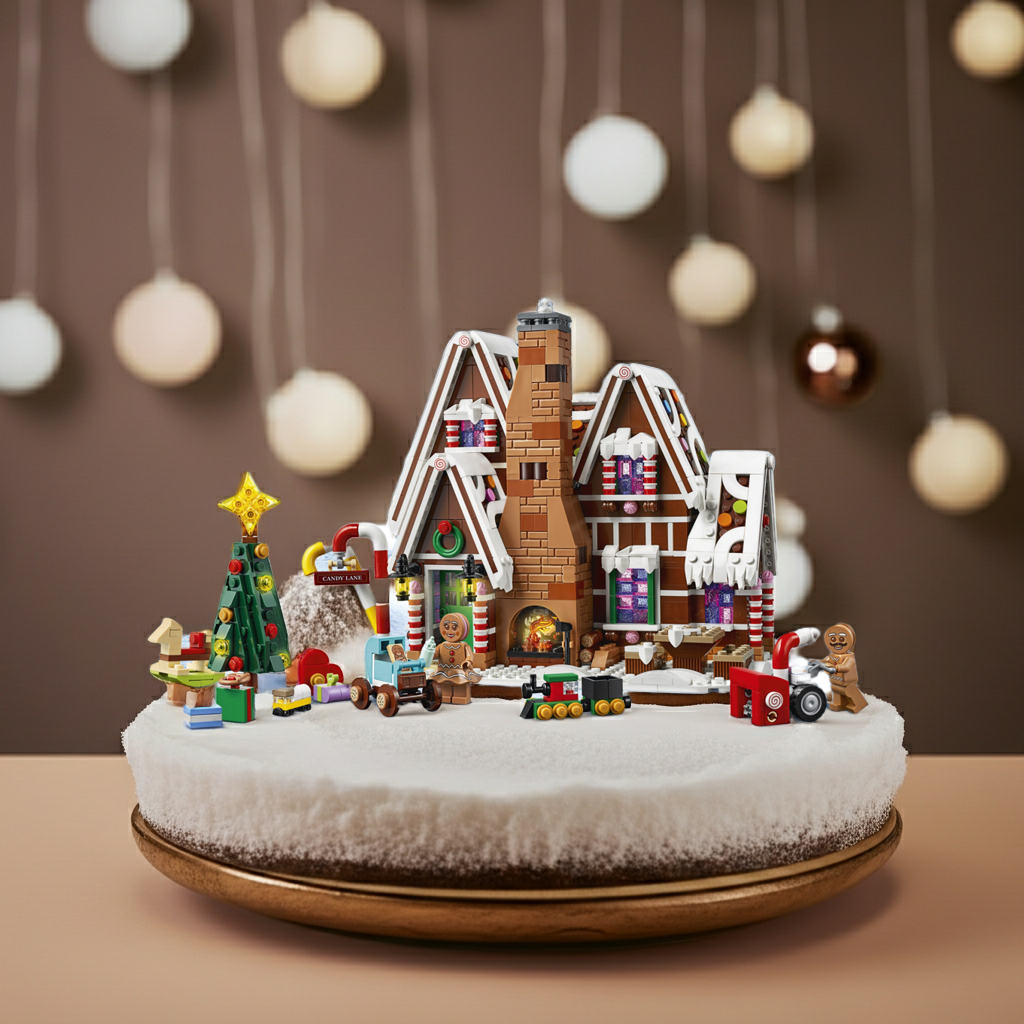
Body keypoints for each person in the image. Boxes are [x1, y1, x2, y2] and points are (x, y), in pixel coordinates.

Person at [427, 612, 480, 705]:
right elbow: (435, 653)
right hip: (444, 670)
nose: (450, 631)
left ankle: (461, 698)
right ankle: (445, 697)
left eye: (454, 628)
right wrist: (430, 654)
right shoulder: (442, 646)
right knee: (444, 684)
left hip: (459, 670)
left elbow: (470, 655)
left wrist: (468, 661)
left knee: (461, 685)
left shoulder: (464, 646)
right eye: (446, 627)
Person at [822, 622, 867, 713]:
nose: (837, 642)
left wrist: (835, 668)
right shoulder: (832, 656)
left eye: (842, 639)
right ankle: (839, 704)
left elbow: (846, 667)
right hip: (836, 680)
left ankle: (859, 703)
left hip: (847, 682)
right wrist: (816, 663)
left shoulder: (848, 657)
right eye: (833, 638)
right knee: (835, 688)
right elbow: (824, 661)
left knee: (849, 690)